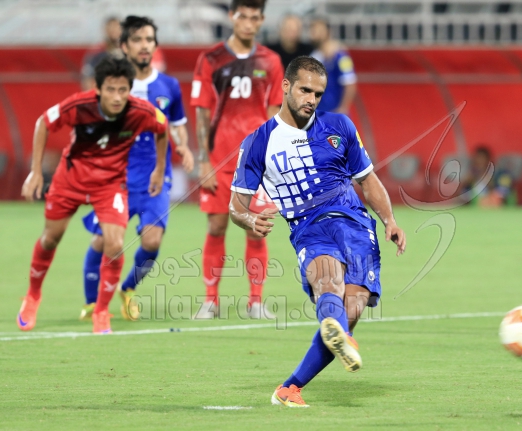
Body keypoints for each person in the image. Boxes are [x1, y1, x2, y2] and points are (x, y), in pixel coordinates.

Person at [229, 56, 406, 407]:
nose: (311, 99)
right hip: (308, 229)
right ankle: (336, 337)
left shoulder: (339, 125)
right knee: (328, 285)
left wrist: (389, 219)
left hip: (354, 223)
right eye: (305, 90)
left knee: (353, 304)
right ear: (286, 86)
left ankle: (290, 387)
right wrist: (249, 219)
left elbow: (367, 179)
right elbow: (236, 205)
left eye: (318, 93)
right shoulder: (258, 142)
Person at [18, 56, 169, 334]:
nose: (117, 97)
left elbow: (162, 126)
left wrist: (159, 169)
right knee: (50, 238)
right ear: (98, 89)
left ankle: (101, 311)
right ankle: (33, 295)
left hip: (110, 185)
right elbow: (43, 123)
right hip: (70, 180)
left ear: (130, 90)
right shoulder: (79, 105)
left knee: (114, 244)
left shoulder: (140, 111)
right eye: (110, 89)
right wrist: (36, 171)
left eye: (123, 90)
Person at [79, 16, 194, 321]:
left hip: (155, 174)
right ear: (124, 46)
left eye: (149, 40)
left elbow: (177, 125)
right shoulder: (113, 86)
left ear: (155, 45)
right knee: (103, 240)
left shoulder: (168, 85)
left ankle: (128, 288)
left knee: (152, 241)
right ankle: (91, 301)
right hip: (116, 175)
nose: (144, 46)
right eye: (137, 40)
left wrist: (183, 146)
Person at [190, 0, 284, 319]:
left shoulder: (271, 61)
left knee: (256, 228)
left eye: (254, 18)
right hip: (219, 159)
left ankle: (256, 301)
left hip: (255, 162)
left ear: (261, 20)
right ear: (232, 17)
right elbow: (202, 112)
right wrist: (203, 160)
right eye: (243, 16)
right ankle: (211, 301)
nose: (248, 23)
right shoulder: (210, 59)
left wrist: (272, 158)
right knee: (216, 226)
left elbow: (274, 113)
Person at [309, 17, 357, 114]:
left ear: (328, 32)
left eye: (319, 30)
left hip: (335, 112)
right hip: (317, 113)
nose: (316, 34)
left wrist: (343, 108)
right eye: (313, 31)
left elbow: (350, 84)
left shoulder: (341, 56)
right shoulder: (313, 56)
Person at [81, 17, 123, 91]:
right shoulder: (97, 52)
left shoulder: (128, 51)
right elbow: (87, 79)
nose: (114, 30)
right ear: (105, 30)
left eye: (117, 27)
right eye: (111, 27)